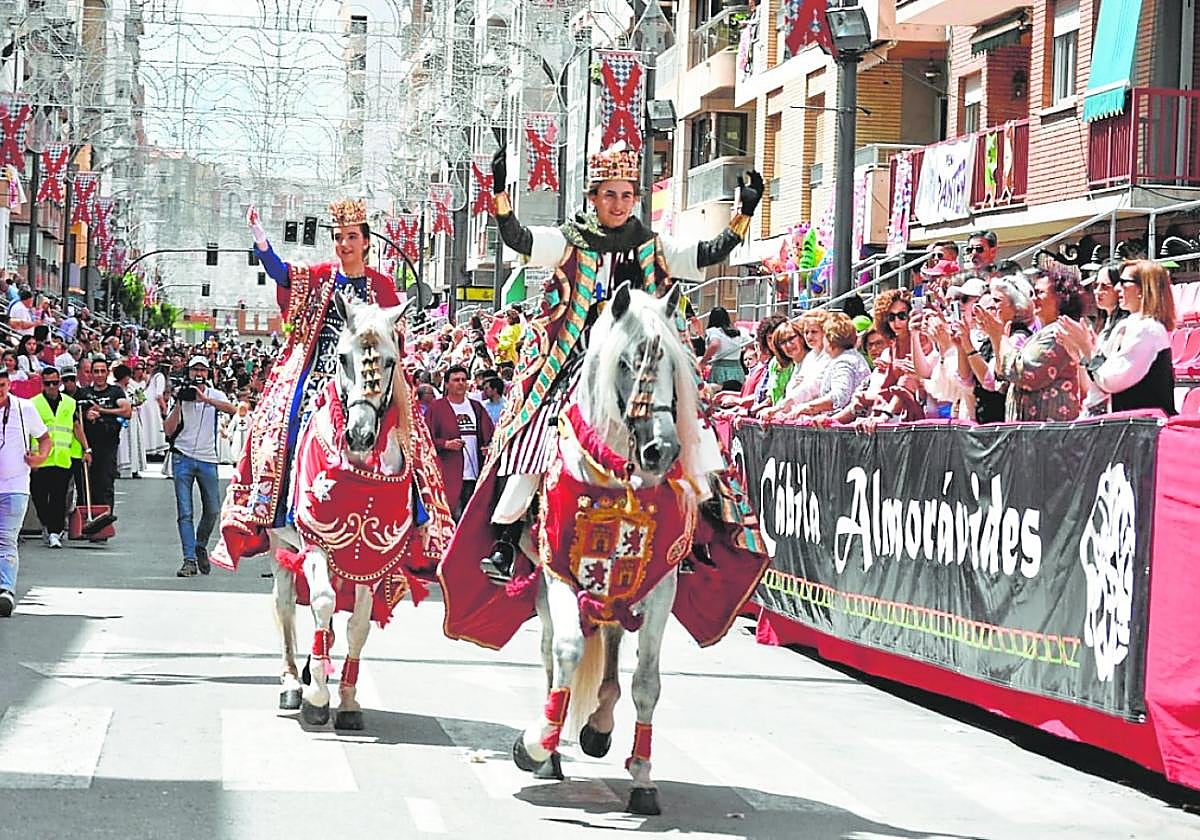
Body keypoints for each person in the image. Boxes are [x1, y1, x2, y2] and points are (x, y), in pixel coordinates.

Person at [458, 142, 766, 585]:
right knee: (534, 433)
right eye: (609, 195)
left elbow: (706, 253)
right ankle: (507, 536)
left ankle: (700, 529)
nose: (618, 204)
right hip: (575, 360)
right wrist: (501, 194)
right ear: (593, 198)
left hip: (640, 361)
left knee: (693, 426)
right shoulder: (569, 239)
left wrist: (743, 215)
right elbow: (520, 239)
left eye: (625, 196)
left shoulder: (651, 243)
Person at [215, 198, 406, 567]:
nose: (345, 244)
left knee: (408, 434)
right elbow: (282, 274)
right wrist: (261, 239)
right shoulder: (322, 275)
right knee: (279, 426)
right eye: (338, 237)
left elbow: (394, 339)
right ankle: (280, 506)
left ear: (366, 242)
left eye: (352, 237)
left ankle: (412, 515)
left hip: (366, 378)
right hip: (315, 371)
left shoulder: (382, 285)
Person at [1060, 259, 1177, 416]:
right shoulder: (1134, 325)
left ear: (1143, 288)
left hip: (1144, 430)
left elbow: (1110, 381)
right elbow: (1097, 383)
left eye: (1123, 282)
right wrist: (1081, 353)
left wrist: (1086, 348)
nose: (1117, 288)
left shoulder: (1147, 329)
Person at [978, 269, 1083, 422]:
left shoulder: (1058, 333)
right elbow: (1003, 375)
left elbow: (1024, 372)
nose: (1033, 299)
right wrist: (997, 337)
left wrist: (999, 336)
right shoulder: (1044, 333)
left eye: (1040, 293)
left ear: (1061, 297)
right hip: (1031, 435)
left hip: (1048, 435)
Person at [166, 356, 235, 577]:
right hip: (182, 457)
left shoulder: (215, 395)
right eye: (195, 369)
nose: (199, 373)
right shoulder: (180, 394)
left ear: (209, 373)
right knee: (185, 512)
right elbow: (168, 430)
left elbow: (233, 410)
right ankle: (189, 560)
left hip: (207, 458)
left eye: (203, 370)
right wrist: (179, 402)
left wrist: (206, 399)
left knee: (213, 509)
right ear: (188, 372)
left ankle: (200, 545)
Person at [0, 368, 52, 617]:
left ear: (8, 384)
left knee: (6, 539)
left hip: (14, 486)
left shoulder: (24, 409)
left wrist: (40, 458)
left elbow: (45, 439)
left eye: (2, 385)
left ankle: (5, 590)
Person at [425, 365, 495, 520]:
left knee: (470, 516)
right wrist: (445, 444)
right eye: (456, 380)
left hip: (473, 472)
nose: (461, 383)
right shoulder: (436, 408)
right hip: (448, 472)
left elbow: (491, 434)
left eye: (464, 380)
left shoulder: (476, 407)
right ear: (447, 384)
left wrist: (486, 448)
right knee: (452, 514)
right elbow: (425, 439)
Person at [29, 367, 89, 548]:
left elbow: (77, 427)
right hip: (41, 458)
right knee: (39, 496)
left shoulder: (70, 403)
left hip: (62, 458)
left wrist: (87, 449)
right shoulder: (33, 404)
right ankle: (47, 524)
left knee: (58, 497)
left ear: (60, 382)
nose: (52, 387)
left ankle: (55, 532)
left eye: (55, 383)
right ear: (43, 384)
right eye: (48, 383)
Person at [79, 356, 131, 515]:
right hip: (88, 445)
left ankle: (104, 522)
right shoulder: (83, 393)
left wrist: (102, 411)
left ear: (107, 373)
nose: (99, 375)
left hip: (109, 444)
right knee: (87, 486)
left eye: (103, 371)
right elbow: (75, 418)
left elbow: (127, 411)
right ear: (91, 374)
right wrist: (87, 415)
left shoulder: (115, 391)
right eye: (96, 371)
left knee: (106, 484)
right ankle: (87, 522)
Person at [699, 306, 749, 386]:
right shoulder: (738, 332)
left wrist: (703, 361)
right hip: (737, 369)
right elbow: (751, 342)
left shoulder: (713, 331)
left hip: (720, 368)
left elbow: (714, 344)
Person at [114, 363, 146, 479]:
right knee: (122, 444)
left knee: (134, 442)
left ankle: (134, 468)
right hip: (121, 419)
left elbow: (140, 397)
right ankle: (118, 468)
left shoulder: (131, 387)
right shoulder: (116, 389)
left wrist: (139, 401)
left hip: (133, 418)